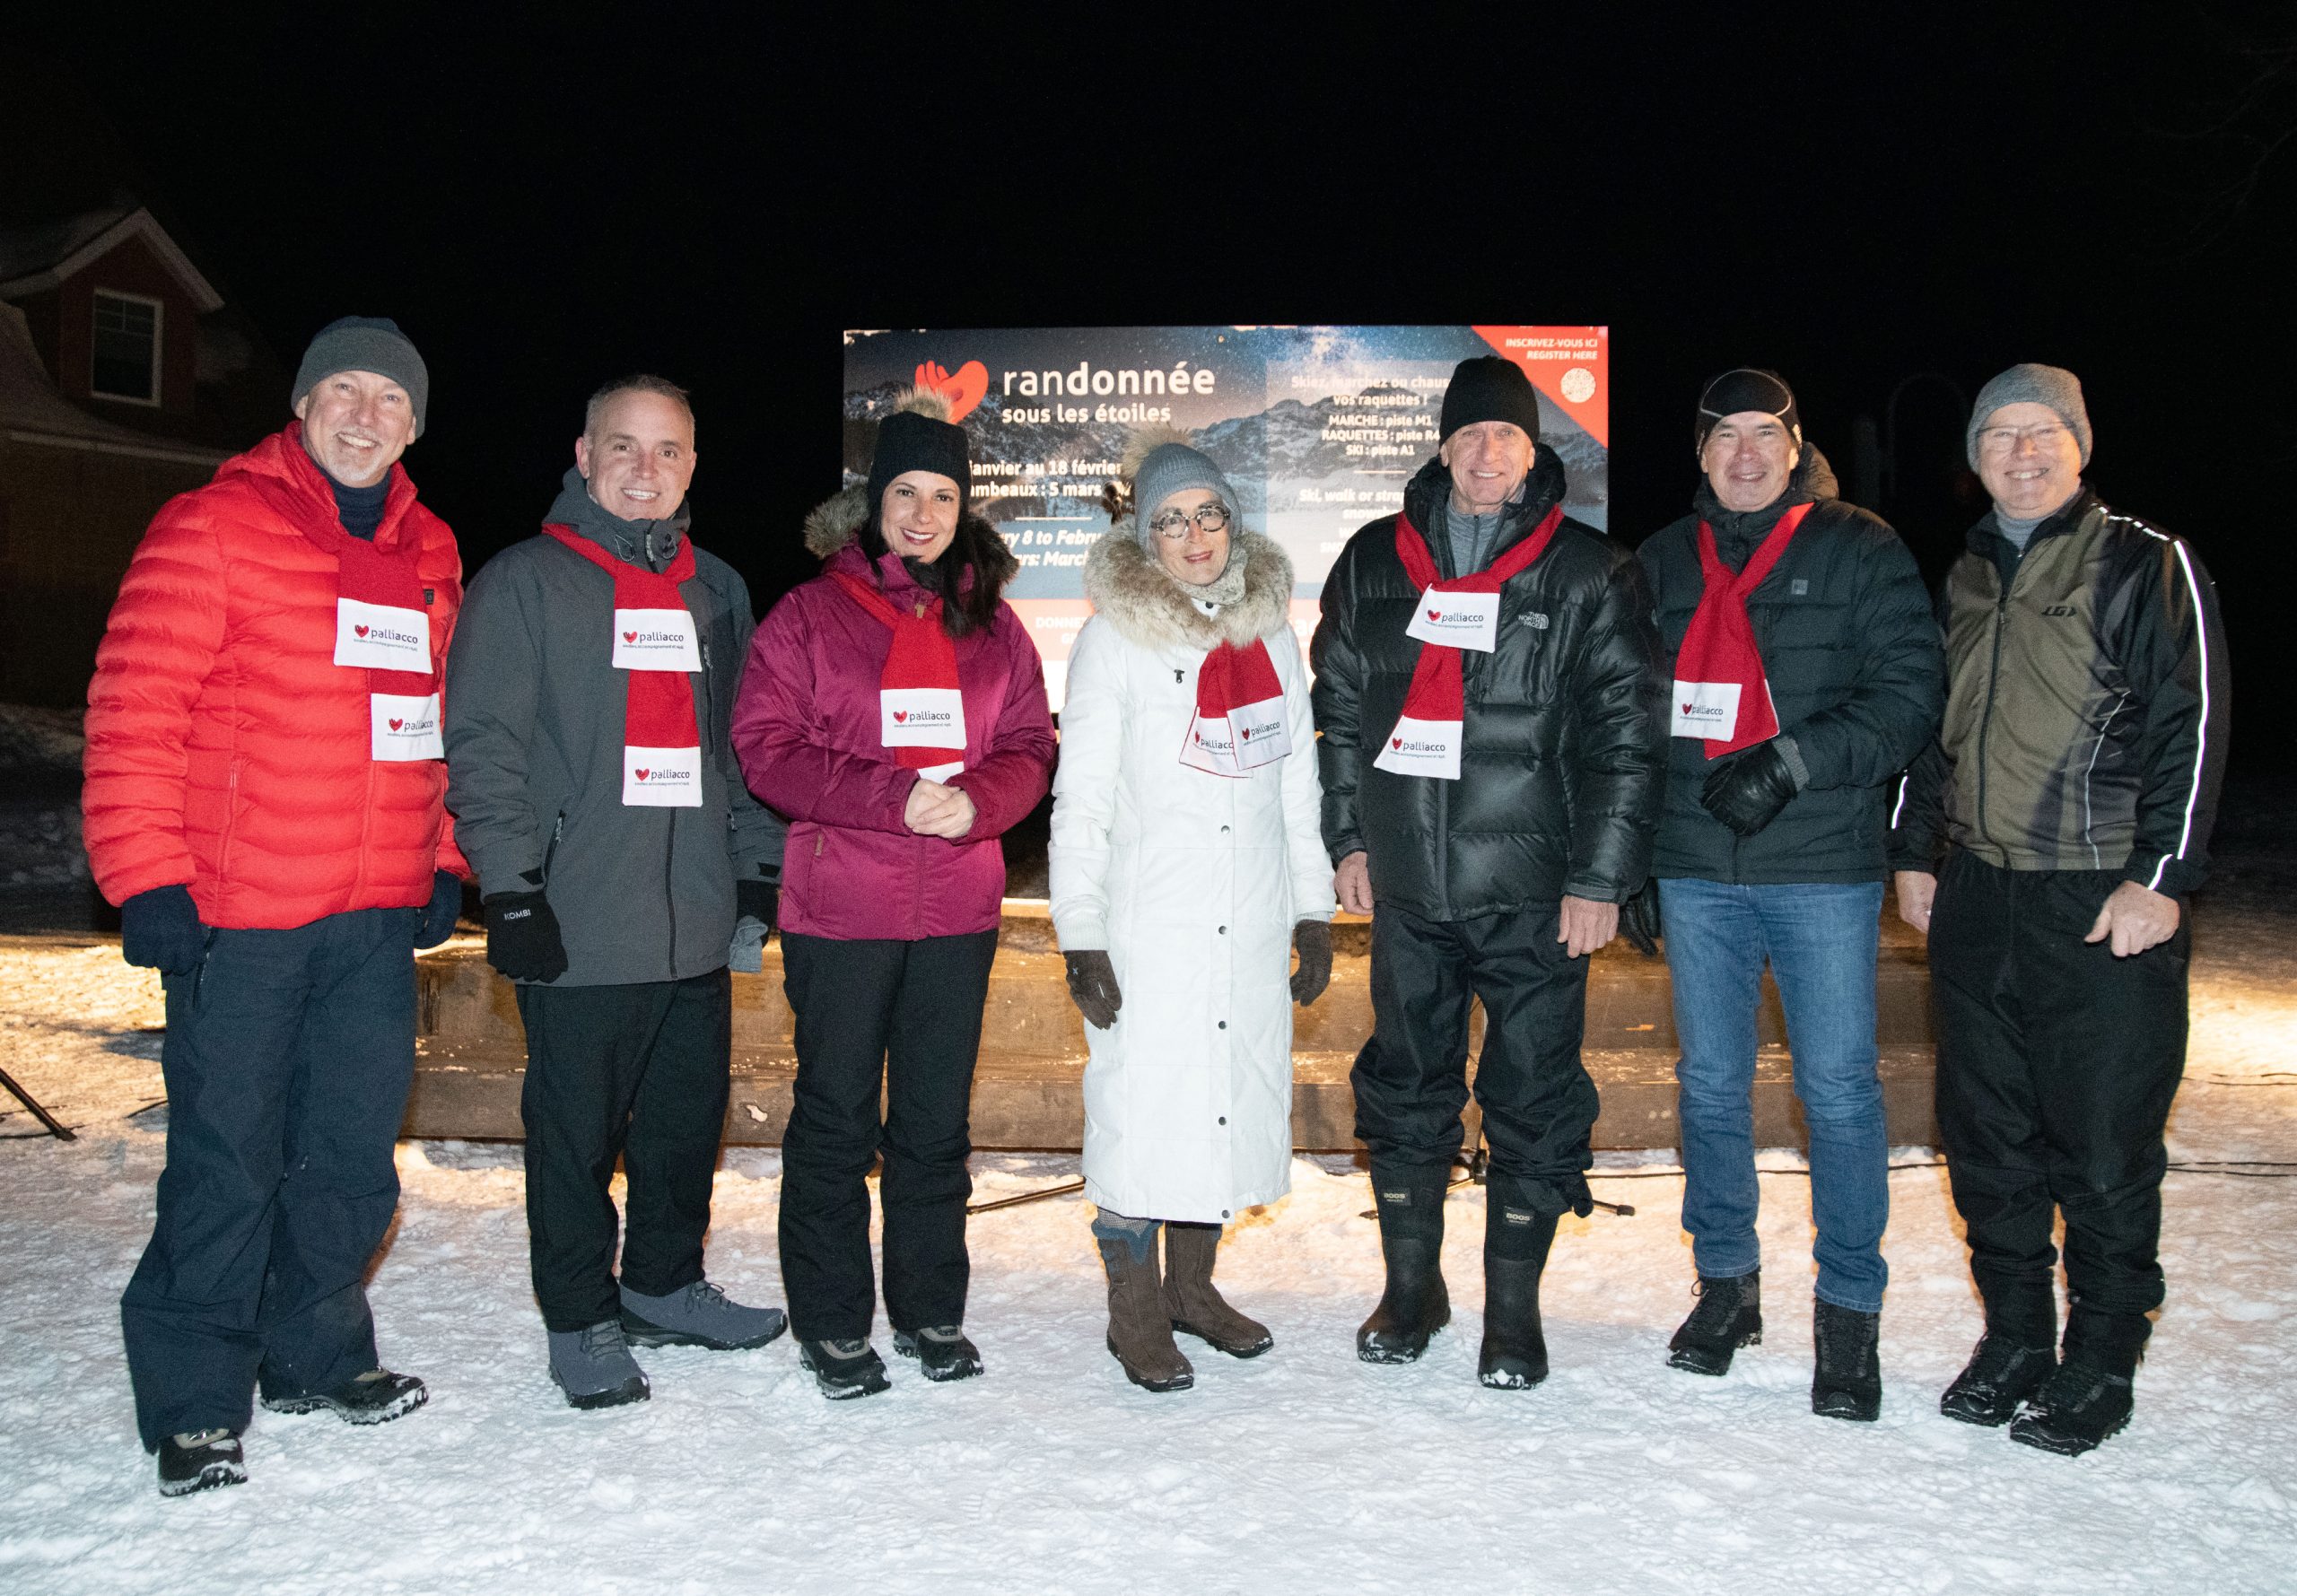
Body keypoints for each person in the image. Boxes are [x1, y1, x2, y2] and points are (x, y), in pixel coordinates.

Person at [85, 317, 462, 1496]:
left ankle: (315, 1353)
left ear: (412, 425)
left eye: (389, 399)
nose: (364, 414)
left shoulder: (430, 549)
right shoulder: (212, 525)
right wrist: (144, 873)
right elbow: (134, 708)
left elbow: (433, 723)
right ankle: (198, 1399)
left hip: (372, 919)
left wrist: (439, 853)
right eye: (342, 390)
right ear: (300, 405)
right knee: (227, 1163)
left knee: (352, 1161)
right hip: (237, 917)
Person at [1891, 363, 2230, 1456]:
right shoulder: (1971, 570)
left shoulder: (2143, 559)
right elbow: (1936, 725)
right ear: (1976, 455)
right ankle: (2018, 1338)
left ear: (2079, 443)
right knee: (1986, 1138)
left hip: (2099, 897)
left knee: (2099, 1145)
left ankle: (2100, 1359)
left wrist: (2161, 877)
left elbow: (2195, 723)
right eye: (1999, 437)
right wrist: (1917, 851)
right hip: (1981, 890)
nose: (2020, 454)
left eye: (2041, 434)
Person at [1311, 355, 1665, 1388]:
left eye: (1504, 436)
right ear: (1440, 444)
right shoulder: (1374, 560)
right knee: (1405, 1088)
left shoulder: (1592, 570)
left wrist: (1601, 879)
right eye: (1467, 435)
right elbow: (1336, 714)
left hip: (1537, 896)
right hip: (1410, 891)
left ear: (1531, 450)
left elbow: (1628, 740)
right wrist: (1347, 840)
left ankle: (1514, 1316)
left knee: (1535, 1096)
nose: (1484, 454)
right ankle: (1411, 1291)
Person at [443, 376, 788, 1409]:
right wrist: (508, 889)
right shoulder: (525, 583)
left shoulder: (716, 588)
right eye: (624, 448)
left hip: (692, 919)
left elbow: (741, 743)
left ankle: (663, 1286)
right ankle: (581, 1316)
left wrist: (753, 864)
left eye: (669, 450)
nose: (647, 470)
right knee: (573, 1137)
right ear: (584, 457)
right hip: (577, 917)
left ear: (692, 465)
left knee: (686, 1124)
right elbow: (484, 747)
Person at [733, 389, 1055, 1399]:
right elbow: (764, 747)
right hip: (843, 911)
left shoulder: (995, 627)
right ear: (871, 502)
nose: (922, 514)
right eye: (904, 493)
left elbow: (1032, 745)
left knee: (933, 1123)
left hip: (956, 912)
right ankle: (832, 1321)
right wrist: (893, 798)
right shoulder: (809, 615)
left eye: (943, 496)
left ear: (966, 509)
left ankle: (928, 1309)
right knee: (834, 1117)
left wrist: (982, 801)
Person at [1635, 370, 1943, 1420]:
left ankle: (1849, 1312)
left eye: (1765, 434)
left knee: (1841, 1094)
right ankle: (1725, 1289)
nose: (1746, 454)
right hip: (1694, 868)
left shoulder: (1859, 545)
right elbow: (1629, 713)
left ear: (1795, 443)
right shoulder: (1664, 560)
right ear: (1701, 452)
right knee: (1711, 1088)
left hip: (1819, 865)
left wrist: (1795, 761)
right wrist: (1632, 853)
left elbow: (1909, 695)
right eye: (1725, 437)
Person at [1049, 432, 1335, 1392]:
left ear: (1232, 523)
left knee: (1222, 1098)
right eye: (1170, 522)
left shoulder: (1271, 632)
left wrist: (1311, 909)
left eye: (1208, 515)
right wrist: (1079, 933)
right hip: (1151, 927)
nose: (1194, 536)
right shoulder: (1112, 638)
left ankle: (1193, 1291)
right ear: (1145, 539)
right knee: (1140, 1111)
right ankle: (1133, 1311)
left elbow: (1297, 780)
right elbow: (1080, 798)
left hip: (1249, 917)